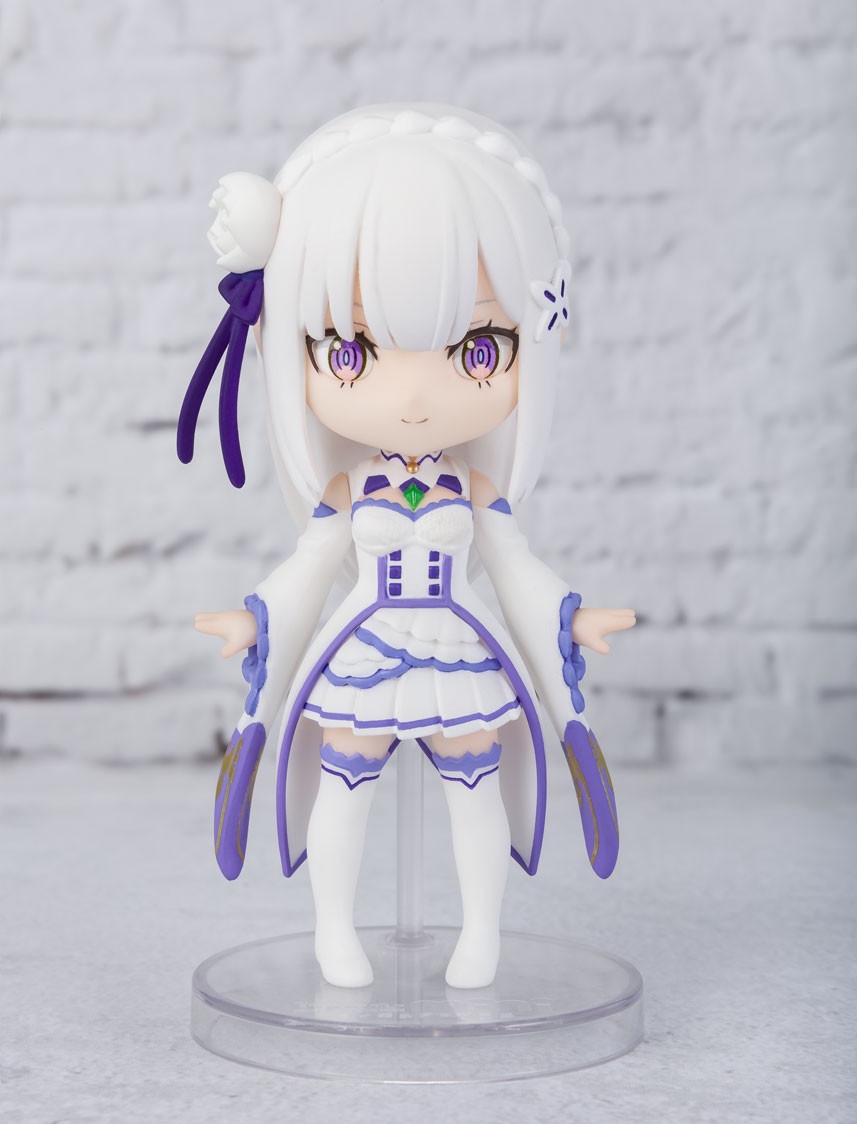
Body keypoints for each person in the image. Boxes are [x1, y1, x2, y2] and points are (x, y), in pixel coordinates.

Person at [180, 104, 635, 990]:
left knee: (474, 791)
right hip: (364, 654)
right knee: (344, 788)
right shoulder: (349, 491)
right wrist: (256, 619)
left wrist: (568, 618)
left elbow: (515, 566)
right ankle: (334, 931)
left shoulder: (476, 489)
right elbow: (308, 568)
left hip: (460, 654)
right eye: (351, 350)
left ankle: (481, 935)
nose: (416, 396)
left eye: (477, 349)